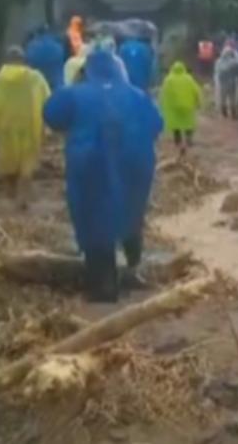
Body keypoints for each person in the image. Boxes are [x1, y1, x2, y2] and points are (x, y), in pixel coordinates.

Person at [44, 50, 162, 302]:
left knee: (94, 217)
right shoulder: (137, 94)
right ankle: (133, 267)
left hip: (91, 163)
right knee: (132, 211)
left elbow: (51, 115)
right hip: (135, 164)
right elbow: (156, 124)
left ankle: (104, 285)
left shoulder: (75, 93)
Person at [0, 47, 51, 208]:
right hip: (31, 127)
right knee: (27, 165)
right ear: (24, 60)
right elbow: (47, 100)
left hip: (4, 128)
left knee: (7, 164)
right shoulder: (36, 78)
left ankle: (10, 198)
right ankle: (22, 200)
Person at [160, 61, 203, 156]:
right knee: (188, 123)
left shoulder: (168, 80)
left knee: (176, 125)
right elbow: (196, 90)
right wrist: (199, 102)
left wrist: (162, 105)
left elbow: (163, 93)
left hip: (174, 108)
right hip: (187, 106)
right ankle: (188, 139)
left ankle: (177, 140)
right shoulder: (189, 79)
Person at [214, 44, 238, 119]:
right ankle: (233, 114)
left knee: (223, 98)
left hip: (223, 83)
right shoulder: (232, 61)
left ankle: (224, 113)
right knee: (232, 98)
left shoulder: (218, 61)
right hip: (231, 82)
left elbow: (217, 72)